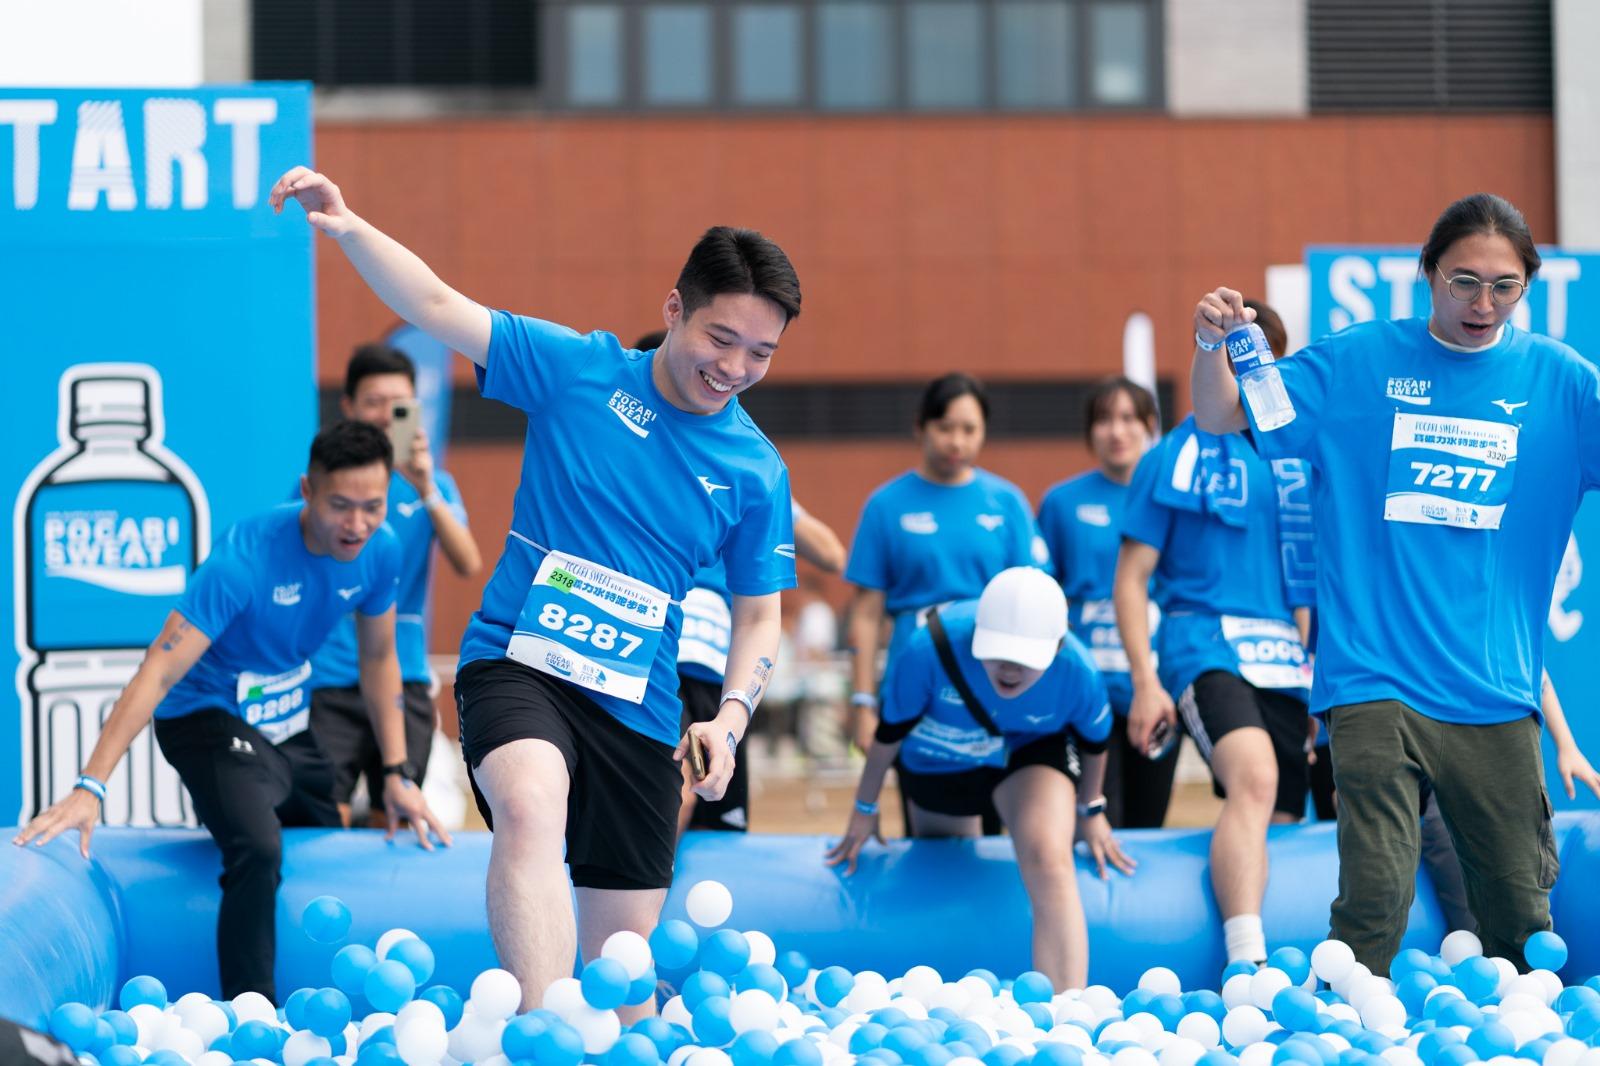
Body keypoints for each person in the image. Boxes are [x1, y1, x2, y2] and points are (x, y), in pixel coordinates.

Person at [270, 166, 799, 1013]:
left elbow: (761, 612)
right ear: (674, 311)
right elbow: (441, 307)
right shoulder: (577, 369)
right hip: (520, 662)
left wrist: (730, 719)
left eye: (761, 354)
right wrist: (348, 227)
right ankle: (542, 1031)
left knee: (623, 979)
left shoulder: (756, 471)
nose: (734, 367)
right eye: (720, 339)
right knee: (526, 807)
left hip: (640, 706)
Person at [1189, 192, 1600, 972]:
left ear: (1527, 286)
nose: (1483, 302)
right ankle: (1348, 1035)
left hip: (1495, 691)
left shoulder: (1564, 386)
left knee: (1519, 909)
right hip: (1371, 678)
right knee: (1375, 894)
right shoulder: (1357, 362)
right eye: (1463, 281)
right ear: (1429, 276)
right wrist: (1212, 346)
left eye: (1504, 285)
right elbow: (1220, 416)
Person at [13, 421, 449, 1002]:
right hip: (204, 715)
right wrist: (90, 784)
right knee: (260, 846)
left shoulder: (381, 549)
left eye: (372, 506)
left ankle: (322, 993)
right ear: (307, 490)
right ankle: (252, 1009)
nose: (357, 524)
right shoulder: (244, 560)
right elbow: (160, 670)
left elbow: (378, 657)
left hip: (288, 719)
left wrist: (397, 772)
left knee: (326, 836)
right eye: (341, 505)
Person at [825, 567, 1133, 991]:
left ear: (1056, 646)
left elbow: (1096, 745)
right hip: (940, 759)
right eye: (998, 651)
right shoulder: (929, 647)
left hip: (1029, 750)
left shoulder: (1078, 670)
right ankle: (959, 998)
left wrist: (1092, 809)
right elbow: (888, 737)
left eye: (1025, 658)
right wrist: (865, 807)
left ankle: (1066, 1010)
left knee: (1049, 856)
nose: (1008, 668)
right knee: (953, 864)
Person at [1115, 323, 1315, 966]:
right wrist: (1147, 681)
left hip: (1285, 660)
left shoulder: (1294, 454)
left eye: (1261, 362)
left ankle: (1281, 958)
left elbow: (1308, 582)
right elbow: (1131, 578)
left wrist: (1319, 674)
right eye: (1236, 359)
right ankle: (1245, 959)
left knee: (1280, 812)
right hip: (1202, 643)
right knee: (1253, 779)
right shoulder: (1172, 454)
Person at [308, 343, 482, 826]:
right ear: (348, 407)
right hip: (330, 675)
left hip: (403, 673)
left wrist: (424, 486)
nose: (386, 416)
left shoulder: (434, 484)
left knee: (396, 816)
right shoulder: (323, 485)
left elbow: (468, 562)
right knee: (325, 814)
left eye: (399, 405)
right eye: (373, 402)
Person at [844, 373, 1046, 761]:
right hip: (914, 685)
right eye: (945, 427)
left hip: (996, 686)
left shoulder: (1008, 502)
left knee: (1000, 814)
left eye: (969, 429)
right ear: (920, 426)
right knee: (926, 816)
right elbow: (866, 615)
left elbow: (1030, 601)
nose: (957, 441)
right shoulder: (885, 505)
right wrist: (863, 703)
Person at [1037, 377, 1173, 828]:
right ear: (1089, 431)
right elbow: (1043, 593)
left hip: (1156, 689)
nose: (1117, 431)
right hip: (1083, 687)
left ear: (1150, 427)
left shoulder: (1174, 497)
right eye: (1104, 420)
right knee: (1094, 817)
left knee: (1147, 819)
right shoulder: (1060, 502)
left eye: (1129, 419)